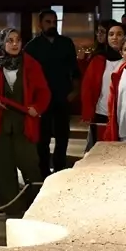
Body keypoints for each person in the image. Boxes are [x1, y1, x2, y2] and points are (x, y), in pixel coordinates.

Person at [0, 28, 49, 210]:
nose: (14, 44)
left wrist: (37, 107)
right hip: (0, 125)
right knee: (4, 170)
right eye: (9, 40)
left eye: (17, 40)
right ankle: (12, 209)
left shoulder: (31, 64)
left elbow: (44, 92)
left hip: (24, 124)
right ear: (2, 43)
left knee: (30, 167)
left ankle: (37, 208)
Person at [24, 10, 78, 176]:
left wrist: (75, 91)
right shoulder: (32, 47)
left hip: (63, 95)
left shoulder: (66, 43)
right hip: (41, 99)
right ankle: (44, 171)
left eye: (54, 22)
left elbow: (75, 70)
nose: (52, 25)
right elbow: (26, 76)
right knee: (43, 137)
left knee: (62, 136)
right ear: (40, 24)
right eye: (48, 22)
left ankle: (60, 170)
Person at [79, 21, 126, 151]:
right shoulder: (98, 59)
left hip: (125, 114)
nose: (115, 37)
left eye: (119, 34)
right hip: (102, 112)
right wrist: (87, 113)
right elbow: (87, 88)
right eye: (111, 34)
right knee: (100, 152)